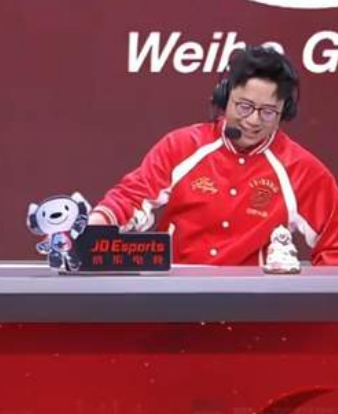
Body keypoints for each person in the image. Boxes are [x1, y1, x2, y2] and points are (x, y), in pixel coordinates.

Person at [89, 45, 338, 265]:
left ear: (285, 111)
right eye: (244, 107)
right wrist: (97, 224)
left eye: (268, 112)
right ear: (224, 97)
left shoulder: (302, 170)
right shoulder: (181, 146)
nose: (253, 120)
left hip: (254, 300)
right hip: (174, 295)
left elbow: (334, 243)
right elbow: (132, 196)